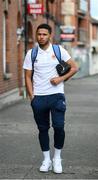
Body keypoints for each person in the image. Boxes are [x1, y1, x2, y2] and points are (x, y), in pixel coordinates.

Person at [23, 23, 78, 173]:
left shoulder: (58, 50)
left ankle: (57, 159)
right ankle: (46, 159)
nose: (41, 37)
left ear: (50, 35)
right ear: (36, 35)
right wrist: (32, 97)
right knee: (42, 129)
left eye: (44, 34)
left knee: (59, 127)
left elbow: (74, 67)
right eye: (39, 34)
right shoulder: (31, 54)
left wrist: (60, 80)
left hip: (56, 96)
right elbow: (27, 76)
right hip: (39, 98)